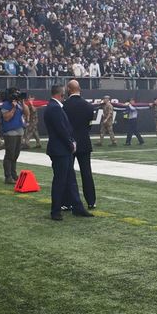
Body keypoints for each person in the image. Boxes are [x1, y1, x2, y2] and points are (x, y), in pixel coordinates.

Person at [44, 84, 89, 220]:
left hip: (61, 149)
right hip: (60, 150)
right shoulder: (55, 108)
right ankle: (55, 211)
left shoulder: (53, 107)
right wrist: (70, 143)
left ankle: (78, 207)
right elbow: (61, 130)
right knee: (60, 181)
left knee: (71, 180)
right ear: (60, 94)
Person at [64, 80, 98, 210]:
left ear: (69, 89)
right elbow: (88, 125)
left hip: (69, 143)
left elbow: (64, 126)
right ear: (79, 89)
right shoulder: (88, 106)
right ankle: (91, 201)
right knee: (86, 173)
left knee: (68, 173)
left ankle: (67, 202)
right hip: (84, 141)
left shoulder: (65, 106)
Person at [0, 91, 29, 185]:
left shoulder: (20, 103)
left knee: (16, 155)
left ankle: (13, 174)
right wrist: (13, 107)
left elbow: (27, 113)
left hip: (19, 130)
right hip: (10, 131)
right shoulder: (6, 105)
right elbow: (7, 118)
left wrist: (23, 103)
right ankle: (8, 176)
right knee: (9, 155)